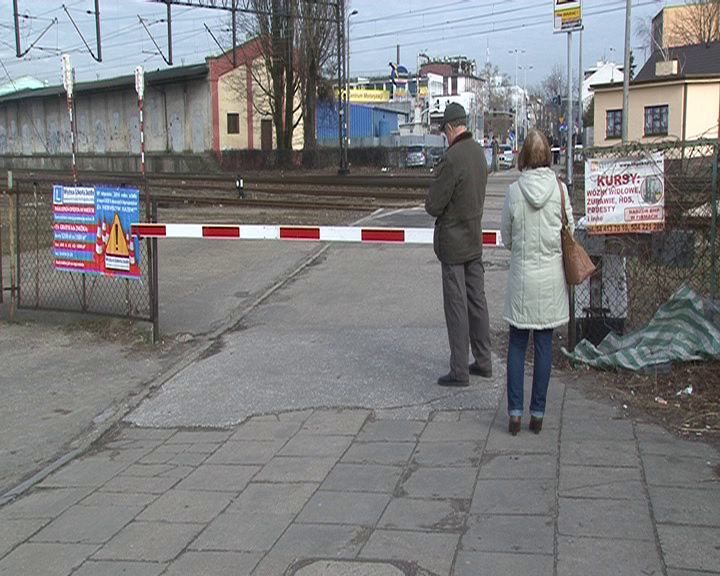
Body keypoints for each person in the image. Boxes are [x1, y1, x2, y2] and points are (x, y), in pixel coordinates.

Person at [500, 129, 574, 435]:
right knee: (544, 345)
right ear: (548, 156)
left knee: (517, 345)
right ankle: (538, 414)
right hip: (551, 280)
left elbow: (507, 238)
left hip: (522, 280)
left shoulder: (514, 192)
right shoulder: (560, 190)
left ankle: (514, 414)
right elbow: (569, 231)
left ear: (524, 157)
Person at [425, 103, 493, 387]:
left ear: (451, 128)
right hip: (474, 241)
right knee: (477, 303)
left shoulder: (452, 159)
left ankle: (459, 370)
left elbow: (433, 204)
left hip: (453, 245)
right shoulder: (479, 154)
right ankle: (484, 360)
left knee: (456, 307)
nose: (445, 136)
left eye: (445, 131)